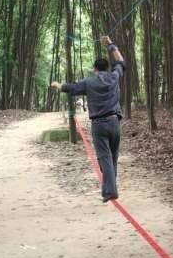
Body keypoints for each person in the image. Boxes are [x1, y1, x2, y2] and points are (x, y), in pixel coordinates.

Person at [51, 36, 125, 202]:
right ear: (107, 68)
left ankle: (110, 191)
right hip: (114, 122)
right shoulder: (114, 77)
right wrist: (111, 44)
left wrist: (59, 86)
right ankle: (110, 188)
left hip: (99, 125)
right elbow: (121, 62)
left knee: (105, 158)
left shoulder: (89, 81)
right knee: (112, 157)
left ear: (94, 69)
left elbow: (72, 87)